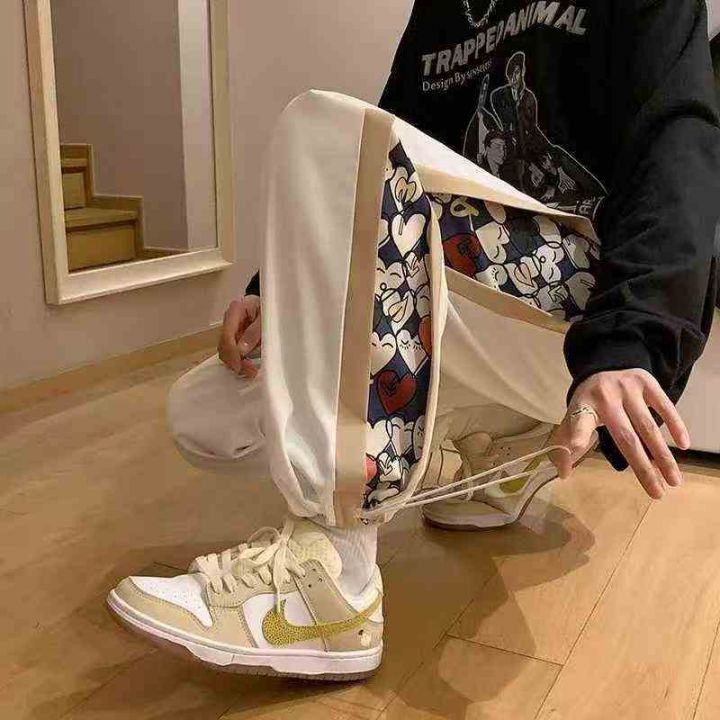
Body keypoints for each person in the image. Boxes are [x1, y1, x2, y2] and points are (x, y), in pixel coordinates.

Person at [107, 0, 719, 681]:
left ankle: (332, 585)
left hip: (583, 305)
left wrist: (629, 340)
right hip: (478, 300)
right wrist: (274, 291)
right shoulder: (443, 9)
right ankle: (502, 451)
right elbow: (387, 154)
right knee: (207, 416)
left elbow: (681, 150)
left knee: (324, 125)